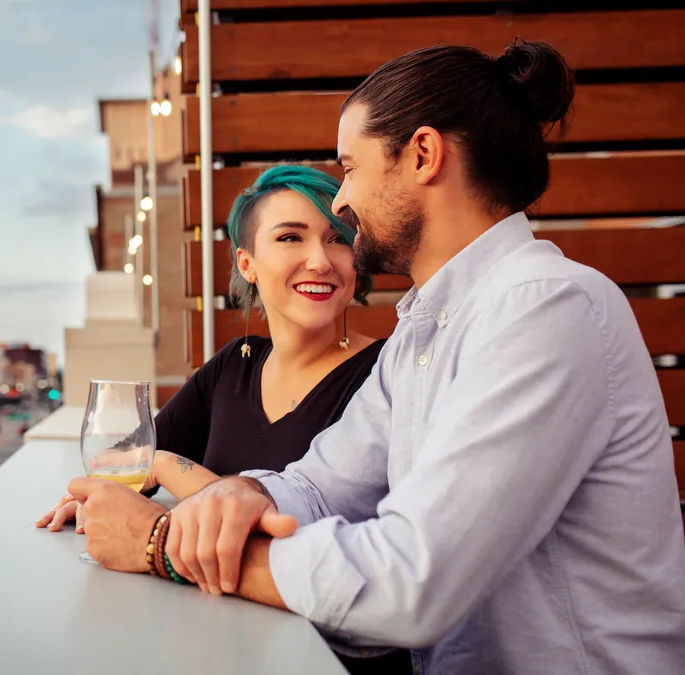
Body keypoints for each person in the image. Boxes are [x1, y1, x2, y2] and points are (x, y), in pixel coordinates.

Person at [67, 40, 685, 675]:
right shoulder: (423, 331)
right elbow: (317, 485)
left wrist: (162, 543)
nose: (340, 201)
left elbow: (414, 583)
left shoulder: (546, 308)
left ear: (422, 155)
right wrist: (244, 495)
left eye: (351, 169)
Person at [38, 166, 409, 674]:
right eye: (290, 237)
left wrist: (167, 468)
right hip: (215, 641)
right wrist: (90, 496)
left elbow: (283, 527)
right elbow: (131, 460)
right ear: (248, 263)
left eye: (338, 240)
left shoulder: (384, 378)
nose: (320, 260)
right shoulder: (237, 362)